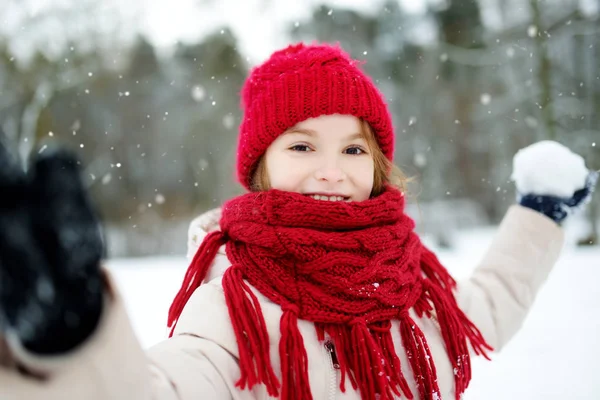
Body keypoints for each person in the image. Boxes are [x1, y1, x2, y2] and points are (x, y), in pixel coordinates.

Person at [0, 42, 597, 400]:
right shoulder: (236, 301)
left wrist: (540, 214)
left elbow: (491, 301)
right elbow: (166, 388)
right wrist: (74, 347)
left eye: (354, 149)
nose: (332, 172)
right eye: (303, 147)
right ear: (260, 168)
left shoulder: (414, 283)